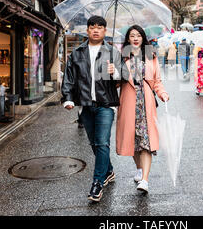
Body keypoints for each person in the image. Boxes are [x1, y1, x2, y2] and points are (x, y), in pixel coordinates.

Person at [61, 15, 122, 202]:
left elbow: (124, 79)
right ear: (87, 30)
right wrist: (68, 98)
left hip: (106, 104)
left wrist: (116, 72)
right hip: (86, 105)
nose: (96, 30)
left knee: (103, 142)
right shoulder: (77, 53)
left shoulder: (112, 52)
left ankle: (97, 183)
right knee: (95, 144)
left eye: (100, 27)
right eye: (92, 27)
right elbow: (69, 78)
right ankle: (109, 170)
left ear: (105, 31)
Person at [116, 25, 169, 194]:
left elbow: (157, 81)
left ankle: (145, 180)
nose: (136, 38)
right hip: (129, 102)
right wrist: (114, 73)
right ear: (128, 39)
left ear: (143, 38)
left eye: (138, 35)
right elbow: (116, 83)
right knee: (133, 141)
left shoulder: (151, 56)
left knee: (146, 143)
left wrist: (163, 94)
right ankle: (139, 168)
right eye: (132, 36)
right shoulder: (121, 57)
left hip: (146, 103)